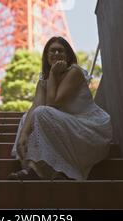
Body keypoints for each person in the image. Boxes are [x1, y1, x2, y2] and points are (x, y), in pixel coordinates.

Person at [8, 36, 113, 180]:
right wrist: (24, 134)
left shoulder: (74, 72)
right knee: (27, 118)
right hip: (67, 127)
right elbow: (36, 105)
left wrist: (53, 73)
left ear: (68, 55)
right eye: (52, 51)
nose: (56, 54)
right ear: (46, 55)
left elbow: (53, 103)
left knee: (42, 113)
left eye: (60, 51)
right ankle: (32, 169)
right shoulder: (43, 79)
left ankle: (54, 170)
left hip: (88, 130)